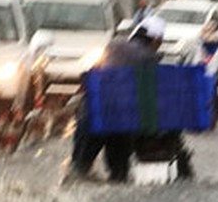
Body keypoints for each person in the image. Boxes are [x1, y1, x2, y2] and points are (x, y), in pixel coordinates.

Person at [68, 15, 175, 183]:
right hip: (121, 123)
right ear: (154, 39)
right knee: (119, 176)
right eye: (160, 40)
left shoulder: (113, 45)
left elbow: (92, 75)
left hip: (92, 115)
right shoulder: (150, 58)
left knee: (78, 170)